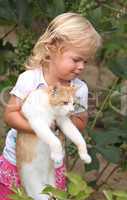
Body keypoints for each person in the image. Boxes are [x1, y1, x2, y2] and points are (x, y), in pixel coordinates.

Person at [0, 12, 101, 199]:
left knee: (48, 195)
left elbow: (80, 121)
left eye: (85, 61)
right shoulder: (30, 79)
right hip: (18, 160)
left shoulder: (79, 89)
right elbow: (10, 114)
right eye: (76, 59)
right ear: (53, 48)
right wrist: (39, 127)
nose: (81, 67)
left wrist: (61, 118)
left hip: (51, 164)